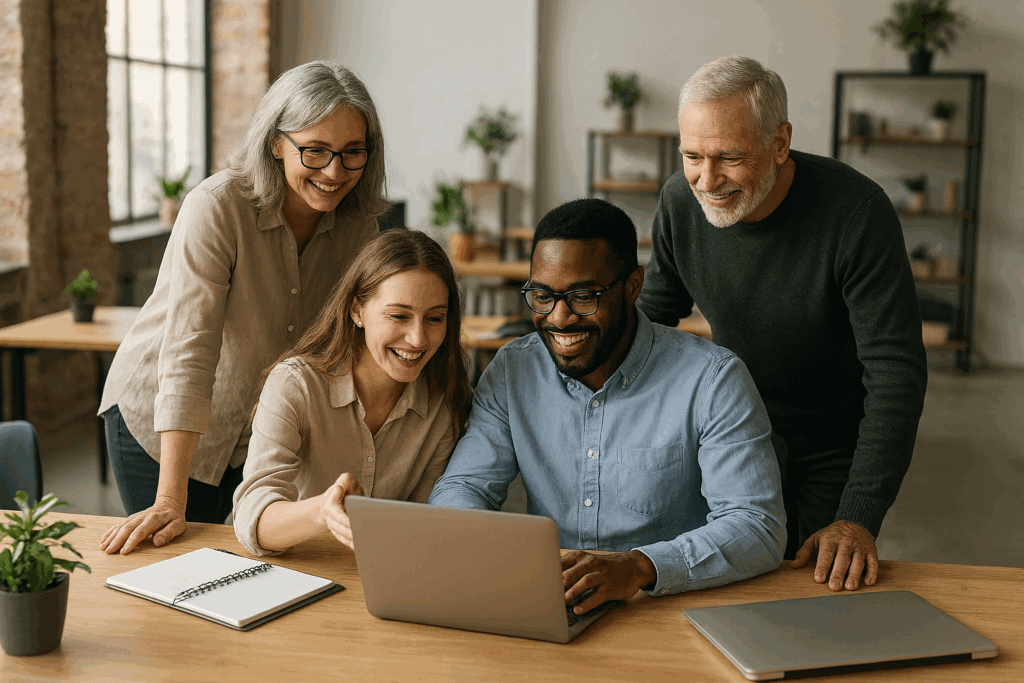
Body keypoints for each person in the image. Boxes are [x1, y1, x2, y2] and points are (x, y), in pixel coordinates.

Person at [636, 56, 928, 592]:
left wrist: (857, 516)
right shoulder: (681, 201)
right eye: (692, 156)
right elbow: (655, 316)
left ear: (780, 142)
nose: (707, 180)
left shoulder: (856, 213)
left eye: (729, 158)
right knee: (715, 583)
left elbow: (895, 374)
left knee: (810, 594)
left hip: (831, 442)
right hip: (731, 433)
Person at [429, 198, 786, 616]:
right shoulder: (513, 371)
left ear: (633, 286)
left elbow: (757, 526)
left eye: (583, 296)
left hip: (669, 610)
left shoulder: (712, 380)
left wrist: (639, 566)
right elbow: (463, 487)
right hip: (554, 605)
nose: (559, 318)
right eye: (542, 296)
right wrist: (481, 546)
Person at [99, 61, 388, 554]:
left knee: (234, 562)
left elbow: (341, 346)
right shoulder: (218, 206)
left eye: (351, 152)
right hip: (159, 422)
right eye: (314, 151)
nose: (334, 171)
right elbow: (189, 354)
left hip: (254, 426)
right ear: (277, 142)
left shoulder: (360, 229)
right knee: (172, 561)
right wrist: (172, 498)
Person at [232, 229, 471, 556]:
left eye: (435, 318)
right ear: (357, 310)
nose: (417, 338)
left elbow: (421, 524)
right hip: (293, 571)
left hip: (377, 578)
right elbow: (251, 519)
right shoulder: (295, 385)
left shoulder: (441, 405)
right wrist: (323, 511)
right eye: (398, 315)